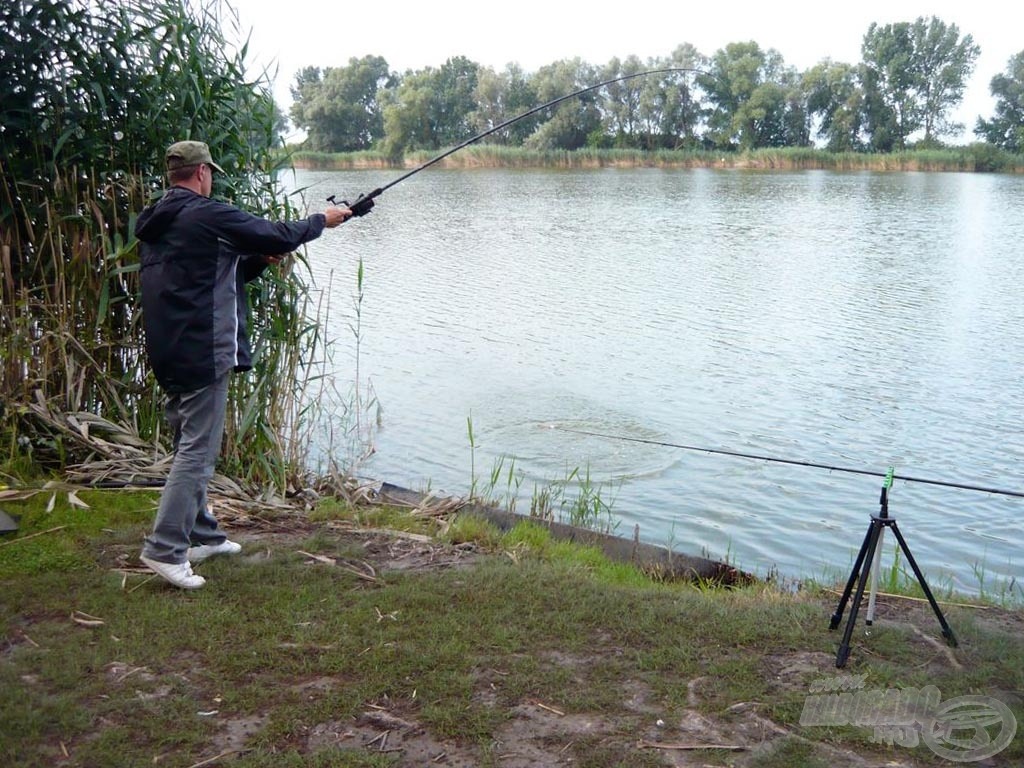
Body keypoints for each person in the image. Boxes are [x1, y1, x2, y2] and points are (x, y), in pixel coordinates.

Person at [135, 140, 351, 589]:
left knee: (188, 446)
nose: (210, 179)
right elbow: (275, 231)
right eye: (209, 172)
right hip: (201, 349)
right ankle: (164, 549)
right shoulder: (206, 214)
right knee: (197, 452)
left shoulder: (160, 221)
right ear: (201, 174)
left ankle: (204, 536)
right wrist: (321, 221)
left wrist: (256, 262)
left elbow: (203, 277)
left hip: (169, 349)